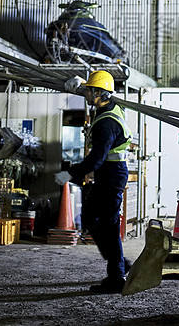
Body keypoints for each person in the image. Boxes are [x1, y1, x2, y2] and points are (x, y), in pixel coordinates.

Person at [56, 70, 132, 294]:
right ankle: (118, 261)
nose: (87, 93)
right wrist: (80, 84)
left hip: (111, 175)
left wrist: (70, 173)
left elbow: (96, 159)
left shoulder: (106, 124)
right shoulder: (109, 107)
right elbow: (97, 92)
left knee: (109, 226)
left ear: (99, 93)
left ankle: (117, 276)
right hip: (108, 175)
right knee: (90, 218)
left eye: (89, 90)